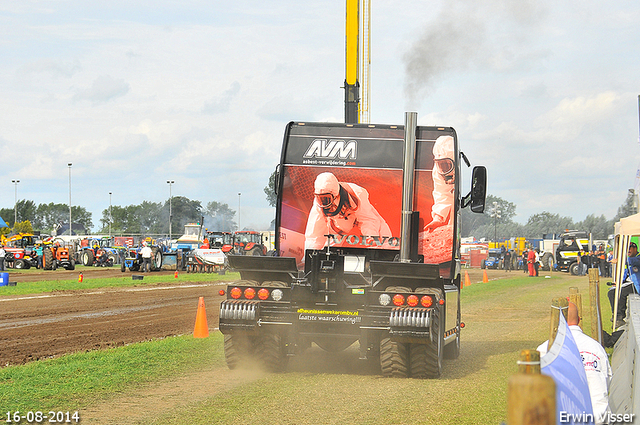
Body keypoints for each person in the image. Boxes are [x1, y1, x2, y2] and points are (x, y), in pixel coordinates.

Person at [537, 302, 612, 424]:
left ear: (554, 321)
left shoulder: (543, 350)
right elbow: (607, 380)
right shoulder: (596, 348)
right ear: (578, 320)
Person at [305, 172, 391, 250]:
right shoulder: (319, 202)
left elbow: (367, 219)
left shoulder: (356, 194)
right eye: (319, 198)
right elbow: (314, 232)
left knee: (382, 237)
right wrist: (308, 257)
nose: (322, 202)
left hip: (361, 216)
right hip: (341, 225)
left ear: (335, 194)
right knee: (330, 250)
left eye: (326, 199)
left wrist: (370, 237)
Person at [424, 135, 455, 232]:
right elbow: (442, 194)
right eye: (442, 165)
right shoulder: (438, 171)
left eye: (448, 164)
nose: (445, 169)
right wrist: (438, 218)